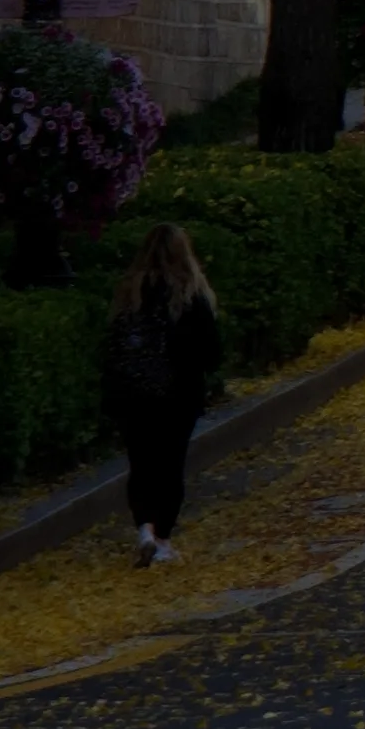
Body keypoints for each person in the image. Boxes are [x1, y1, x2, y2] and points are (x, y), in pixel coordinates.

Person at [99, 226, 223, 565]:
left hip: (131, 395)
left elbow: (112, 346)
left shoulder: (130, 293)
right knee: (170, 466)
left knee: (141, 463)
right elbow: (211, 352)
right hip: (176, 395)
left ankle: (144, 527)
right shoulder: (188, 296)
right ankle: (163, 538)